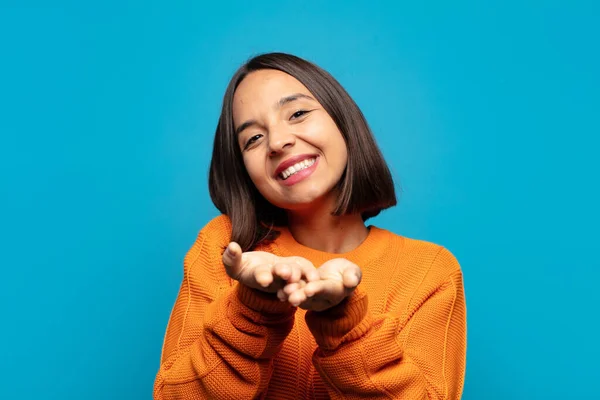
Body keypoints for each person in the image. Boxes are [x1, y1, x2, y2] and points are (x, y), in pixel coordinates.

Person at [153, 52, 466, 400]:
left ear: (342, 119)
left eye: (298, 114)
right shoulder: (224, 247)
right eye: (253, 139)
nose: (277, 142)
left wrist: (344, 324)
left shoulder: (429, 272)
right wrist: (251, 308)